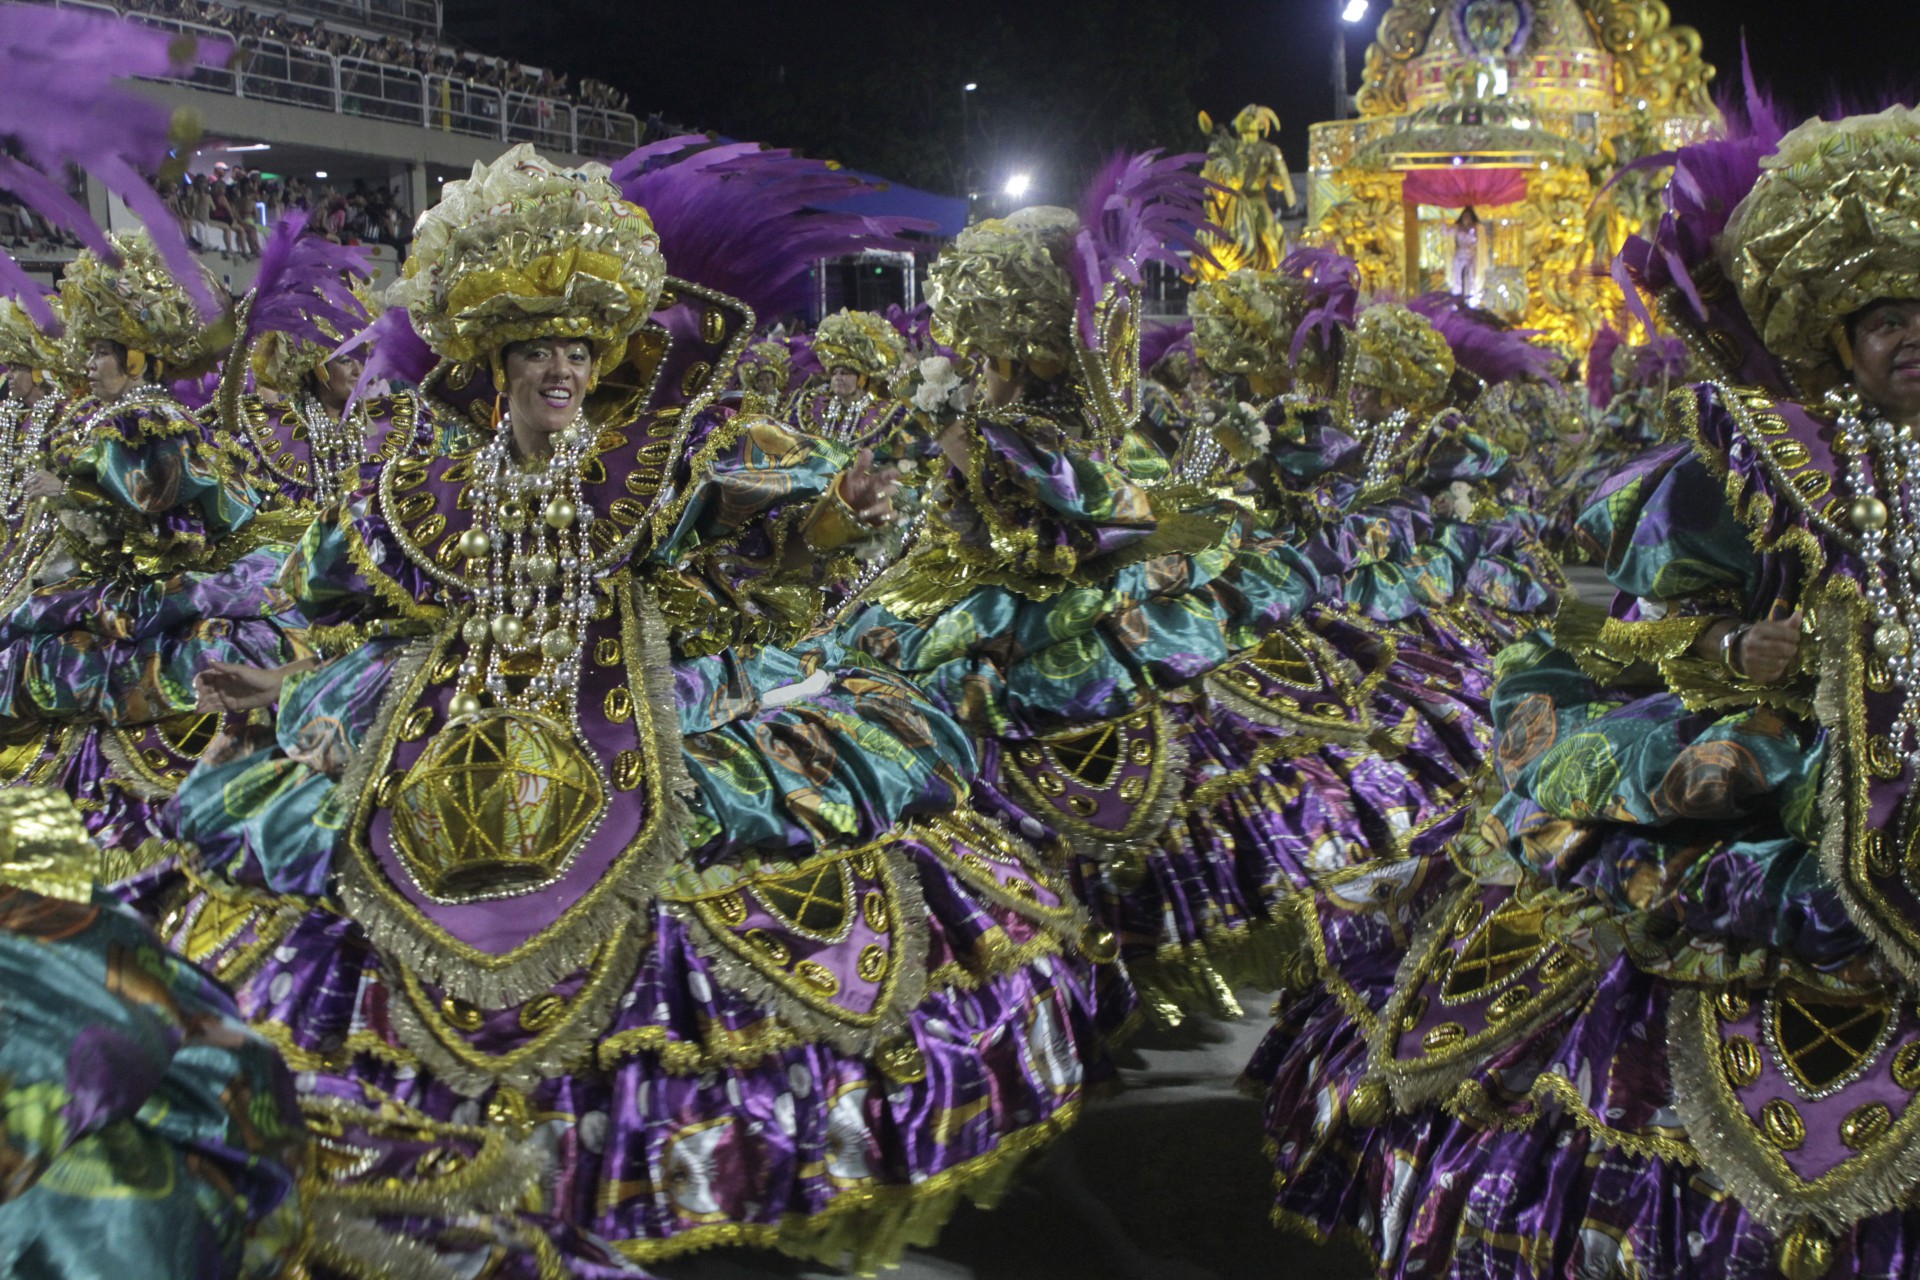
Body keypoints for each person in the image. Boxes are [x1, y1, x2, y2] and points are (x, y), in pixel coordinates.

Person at [163, 144, 1111, 1272]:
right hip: (453, 717)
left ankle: (623, 1162)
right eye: (540, 349)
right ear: (496, 362)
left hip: (630, 707)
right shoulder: (419, 488)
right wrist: (286, 686)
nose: (562, 367)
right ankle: (483, 1154)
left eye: (579, 347)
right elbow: (345, 591)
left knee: (696, 886)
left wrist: (831, 520)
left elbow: (747, 552)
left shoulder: (642, 467)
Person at [1250, 105, 1920, 1279]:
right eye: (1886, 319)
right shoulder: (1746, 465)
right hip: (1790, 776)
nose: (1912, 339)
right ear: (1835, 337)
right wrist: (1734, 656)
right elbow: (1594, 619)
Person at [0, 232, 303, 858]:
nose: (88, 365)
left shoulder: (149, 415)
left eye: (102, 353)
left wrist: (71, 487)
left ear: (136, 358)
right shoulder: (127, 414)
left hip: (169, 579)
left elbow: (155, 493)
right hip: (134, 575)